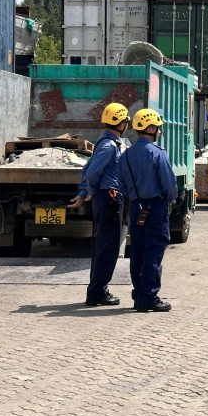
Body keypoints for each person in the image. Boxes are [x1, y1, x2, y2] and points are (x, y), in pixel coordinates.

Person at [118, 108, 179, 313]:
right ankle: (149, 296)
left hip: (136, 207)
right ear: (150, 128)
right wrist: (171, 199)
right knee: (154, 251)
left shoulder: (125, 156)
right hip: (155, 207)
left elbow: (122, 185)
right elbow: (169, 185)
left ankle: (139, 293)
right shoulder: (157, 153)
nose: (159, 132)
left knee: (137, 250)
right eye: (158, 128)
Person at [70, 102, 130, 307]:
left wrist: (84, 192)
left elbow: (87, 169)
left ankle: (97, 289)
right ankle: (98, 291)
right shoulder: (109, 146)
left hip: (106, 198)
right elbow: (93, 172)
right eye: (126, 122)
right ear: (121, 124)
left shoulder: (103, 143)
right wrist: (91, 191)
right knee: (108, 247)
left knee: (103, 245)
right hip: (109, 199)